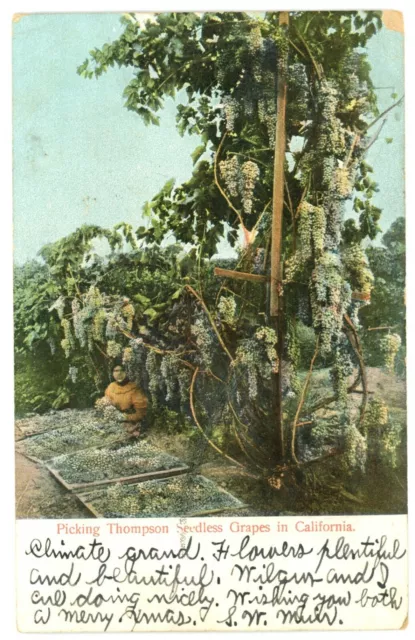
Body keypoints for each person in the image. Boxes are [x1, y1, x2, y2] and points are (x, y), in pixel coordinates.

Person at [104, 363, 148, 437]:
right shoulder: (111, 387)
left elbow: (141, 414)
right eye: (116, 371)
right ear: (112, 373)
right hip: (114, 422)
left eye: (122, 370)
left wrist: (124, 417)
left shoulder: (134, 389)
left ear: (127, 372)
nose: (119, 373)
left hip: (132, 422)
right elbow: (107, 402)